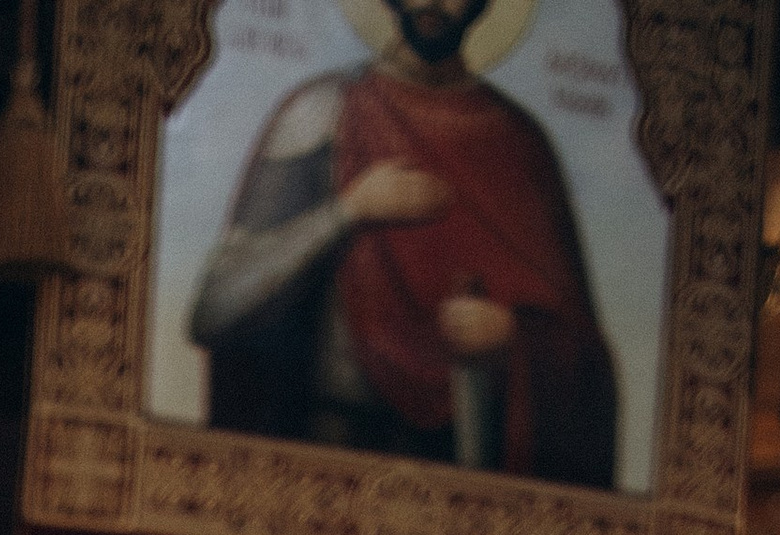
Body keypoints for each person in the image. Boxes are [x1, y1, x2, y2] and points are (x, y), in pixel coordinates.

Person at [188, 0, 617, 488]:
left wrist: (513, 335)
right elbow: (215, 309)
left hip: (460, 472)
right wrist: (348, 211)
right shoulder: (321, 113)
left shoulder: (521, 145)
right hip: (323, 451)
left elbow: (585, 356)